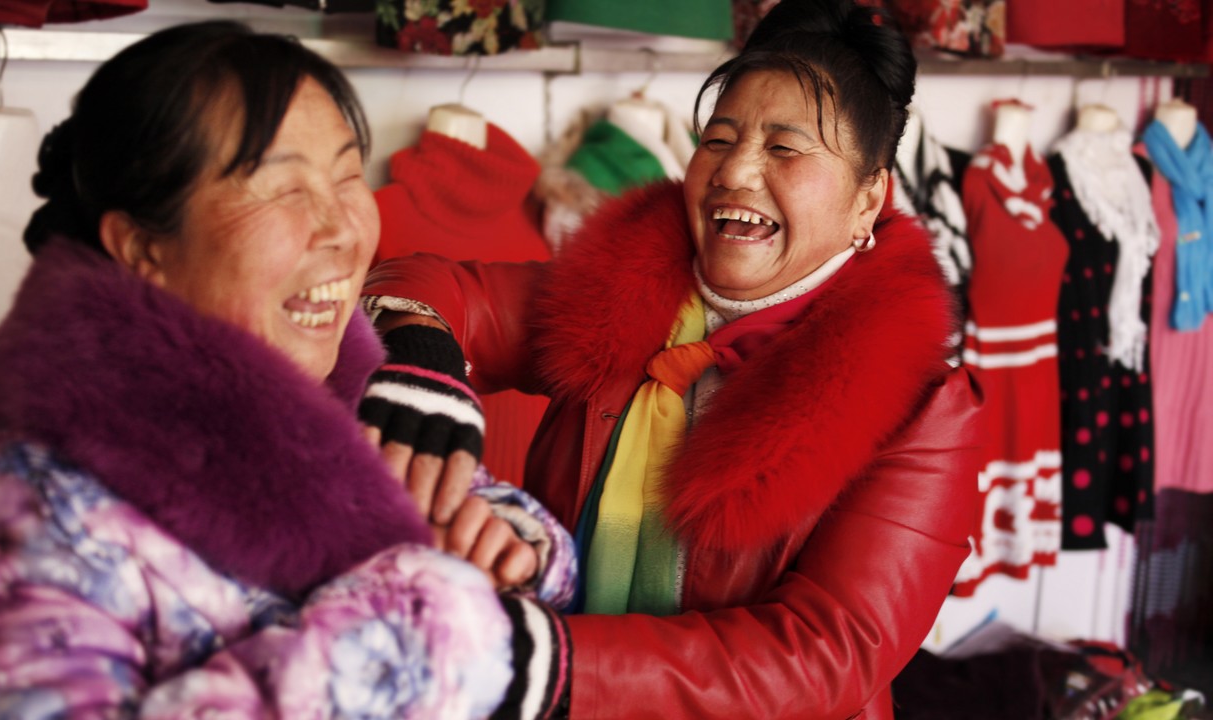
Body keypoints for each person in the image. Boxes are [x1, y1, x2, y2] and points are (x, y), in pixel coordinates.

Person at [0, 21, 575, 719]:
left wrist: (513, 545)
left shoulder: (345, 407)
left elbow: (514, 524)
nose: (340, 228)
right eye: (283, 190)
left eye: (347, 175)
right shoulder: (26, 511)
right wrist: (429, 615)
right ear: (145, 246)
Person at [362, 1, 985, 717]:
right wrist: (418, 351)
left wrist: (556, 665)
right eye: (718, 139)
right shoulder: (616, 300)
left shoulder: (924, 415)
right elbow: (437, 288)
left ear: (867, 199)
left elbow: (823, 654)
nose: (736, 172)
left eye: (784, 149)